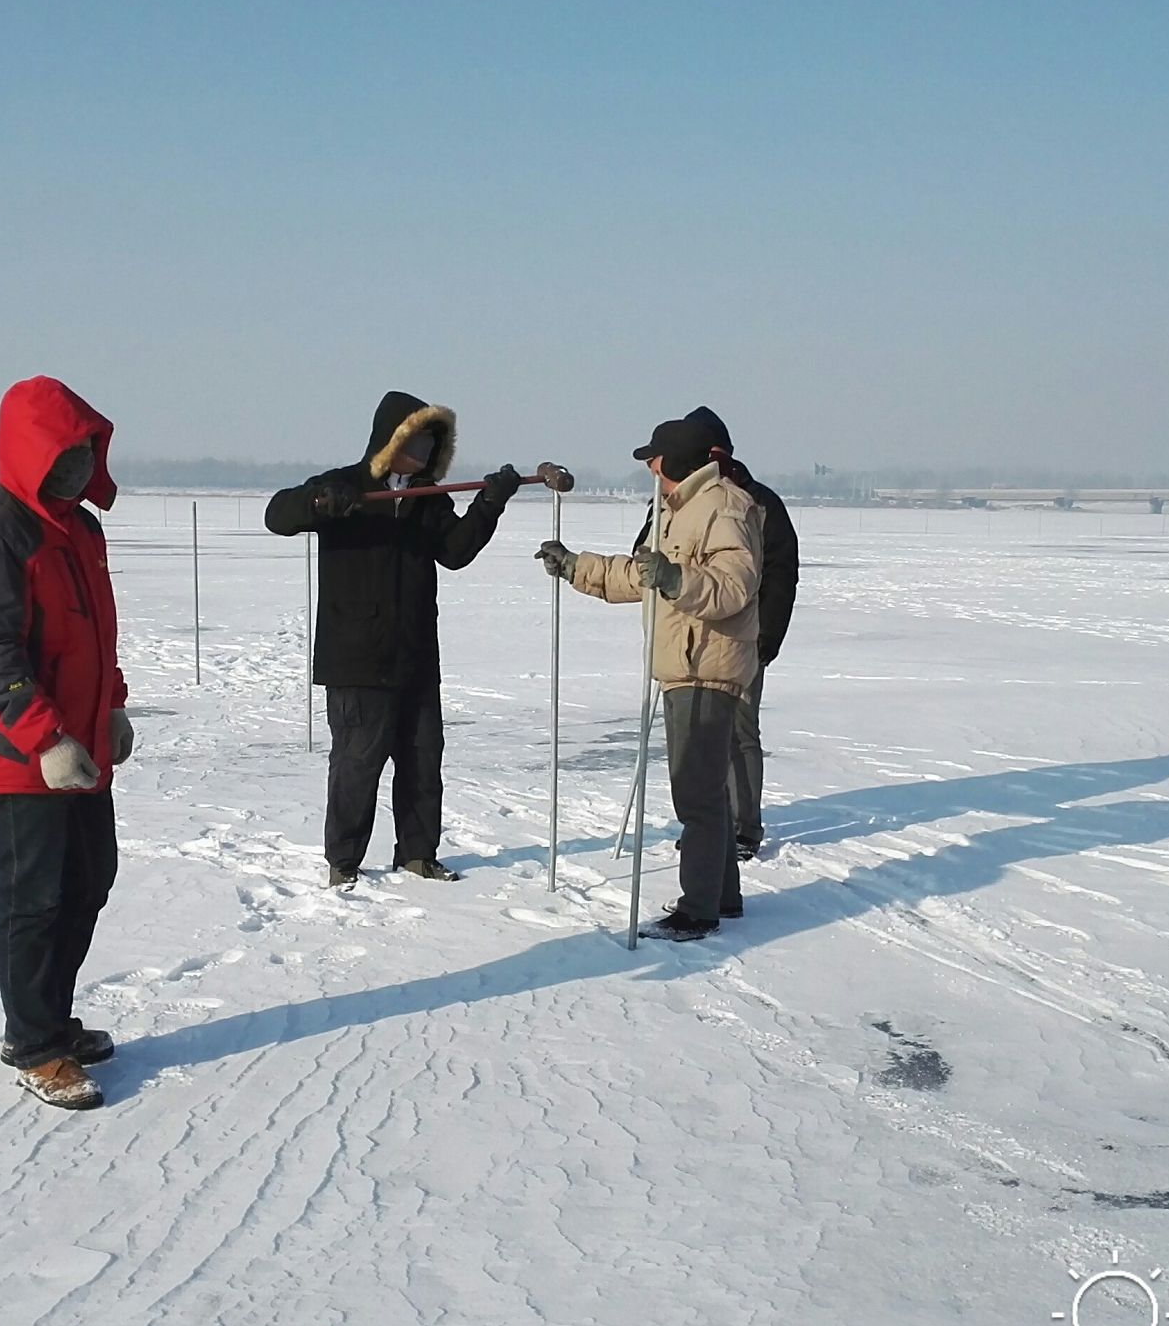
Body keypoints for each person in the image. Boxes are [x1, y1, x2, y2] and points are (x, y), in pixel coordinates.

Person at [0, 377, 133, 1111]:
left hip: (80, 744)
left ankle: (50, 1019)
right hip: (20, 754)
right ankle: (35, 1045)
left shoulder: (78, 528)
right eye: (62, 455)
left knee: (89, 878)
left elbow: (94, 634)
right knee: (33, 893)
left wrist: (110, 707)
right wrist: (45, 739)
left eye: (85, 453)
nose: (76, 470)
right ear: (27, 453)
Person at [266, 391, 522, 886]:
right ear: (392, 439)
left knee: (423, 761)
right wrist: (319, 502)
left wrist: (491, 504)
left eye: (432, 444)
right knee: (357, 765)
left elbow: (455, 551)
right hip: (356, 659)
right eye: (417, 440)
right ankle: (343, 861)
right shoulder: (344, 487)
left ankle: (418, 854)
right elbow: (278, 515)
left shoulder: (427, 500)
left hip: (417, 658)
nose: (425, 452)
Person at [541, 419, 761, 939]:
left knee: (696, 793)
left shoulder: (723, 506)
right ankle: (722, 896)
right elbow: (642, 576)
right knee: (703, 789)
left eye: (655, 458)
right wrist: (576, 567)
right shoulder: (678, 510)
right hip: (684, 663)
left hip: (705, 665)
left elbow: (734, 587)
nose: (649, 467)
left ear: (679, 461)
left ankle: (699, 909)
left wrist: (675, 577)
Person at [677, 406, 798, 860]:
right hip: (687, 639)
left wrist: (767, 639)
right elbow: (647, 549)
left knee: (739, 734)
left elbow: (781, 575)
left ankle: (744, 828)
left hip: (744, 640)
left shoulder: (759, 503)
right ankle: (709, 827)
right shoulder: (680, 498)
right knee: (699, 735)